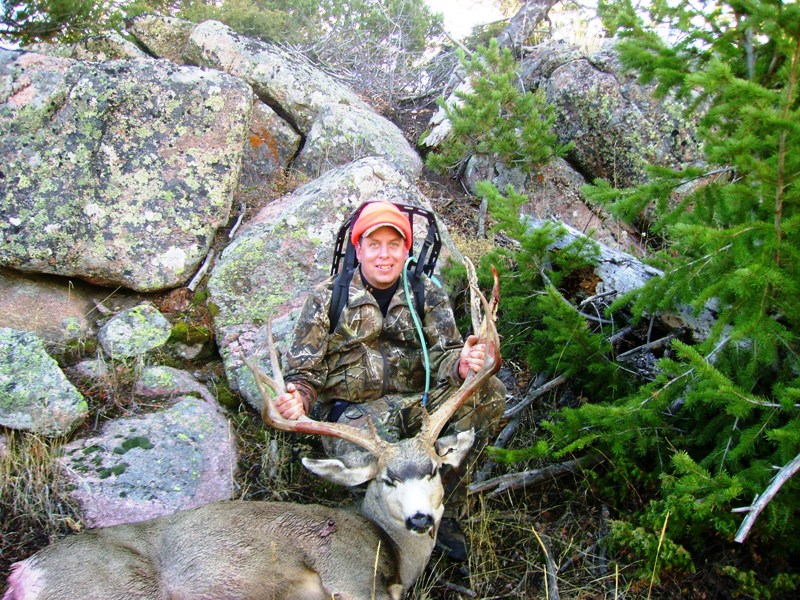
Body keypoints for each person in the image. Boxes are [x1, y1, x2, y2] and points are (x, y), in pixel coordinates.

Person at [274, 200, 506, 560]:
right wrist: (298, 398)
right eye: (374, 245)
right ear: (359, 249)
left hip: (418, 406)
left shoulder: (426, 293)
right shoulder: (326, 298)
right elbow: (305, 372)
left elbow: (446, 353)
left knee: (489, 392)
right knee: (373, 474)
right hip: (354, 416)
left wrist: (462, 364)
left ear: (406, 249)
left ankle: (444, 510)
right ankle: (378, 537)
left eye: (394, 245)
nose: (384, 255)